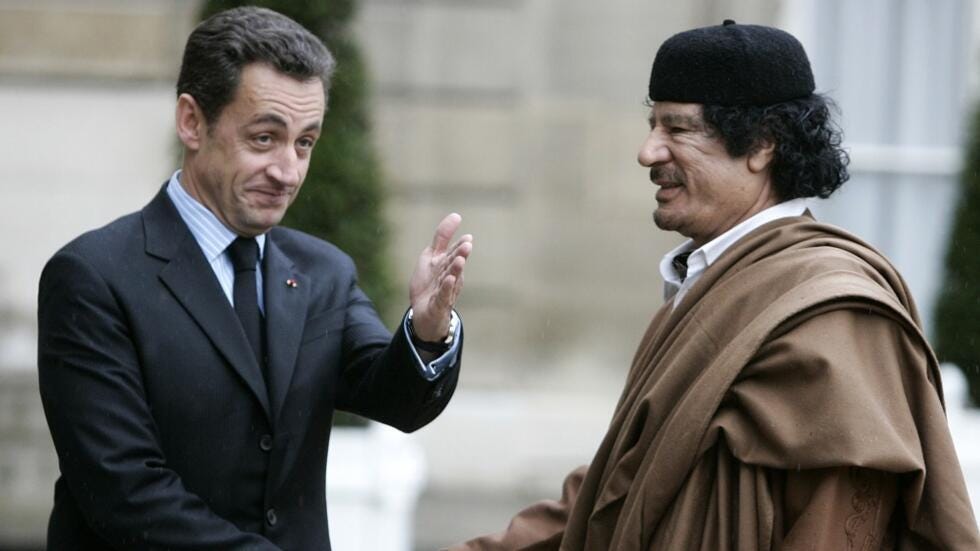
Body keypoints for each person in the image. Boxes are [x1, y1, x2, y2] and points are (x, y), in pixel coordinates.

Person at [450, 20, 978, 550]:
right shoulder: (708, 283)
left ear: (763, 144)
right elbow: (621, 486)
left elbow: (838, 527)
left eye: (677, 130)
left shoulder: (834, 314)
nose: (648, 152)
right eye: (653, 125)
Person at [37, 6, 472, 550]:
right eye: (264, 138)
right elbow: (125, 492)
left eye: (304, 143)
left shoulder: (323, 271)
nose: (287, 171)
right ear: (192, 122)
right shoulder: (93, 278)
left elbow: (397, 402)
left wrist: (428, 330)